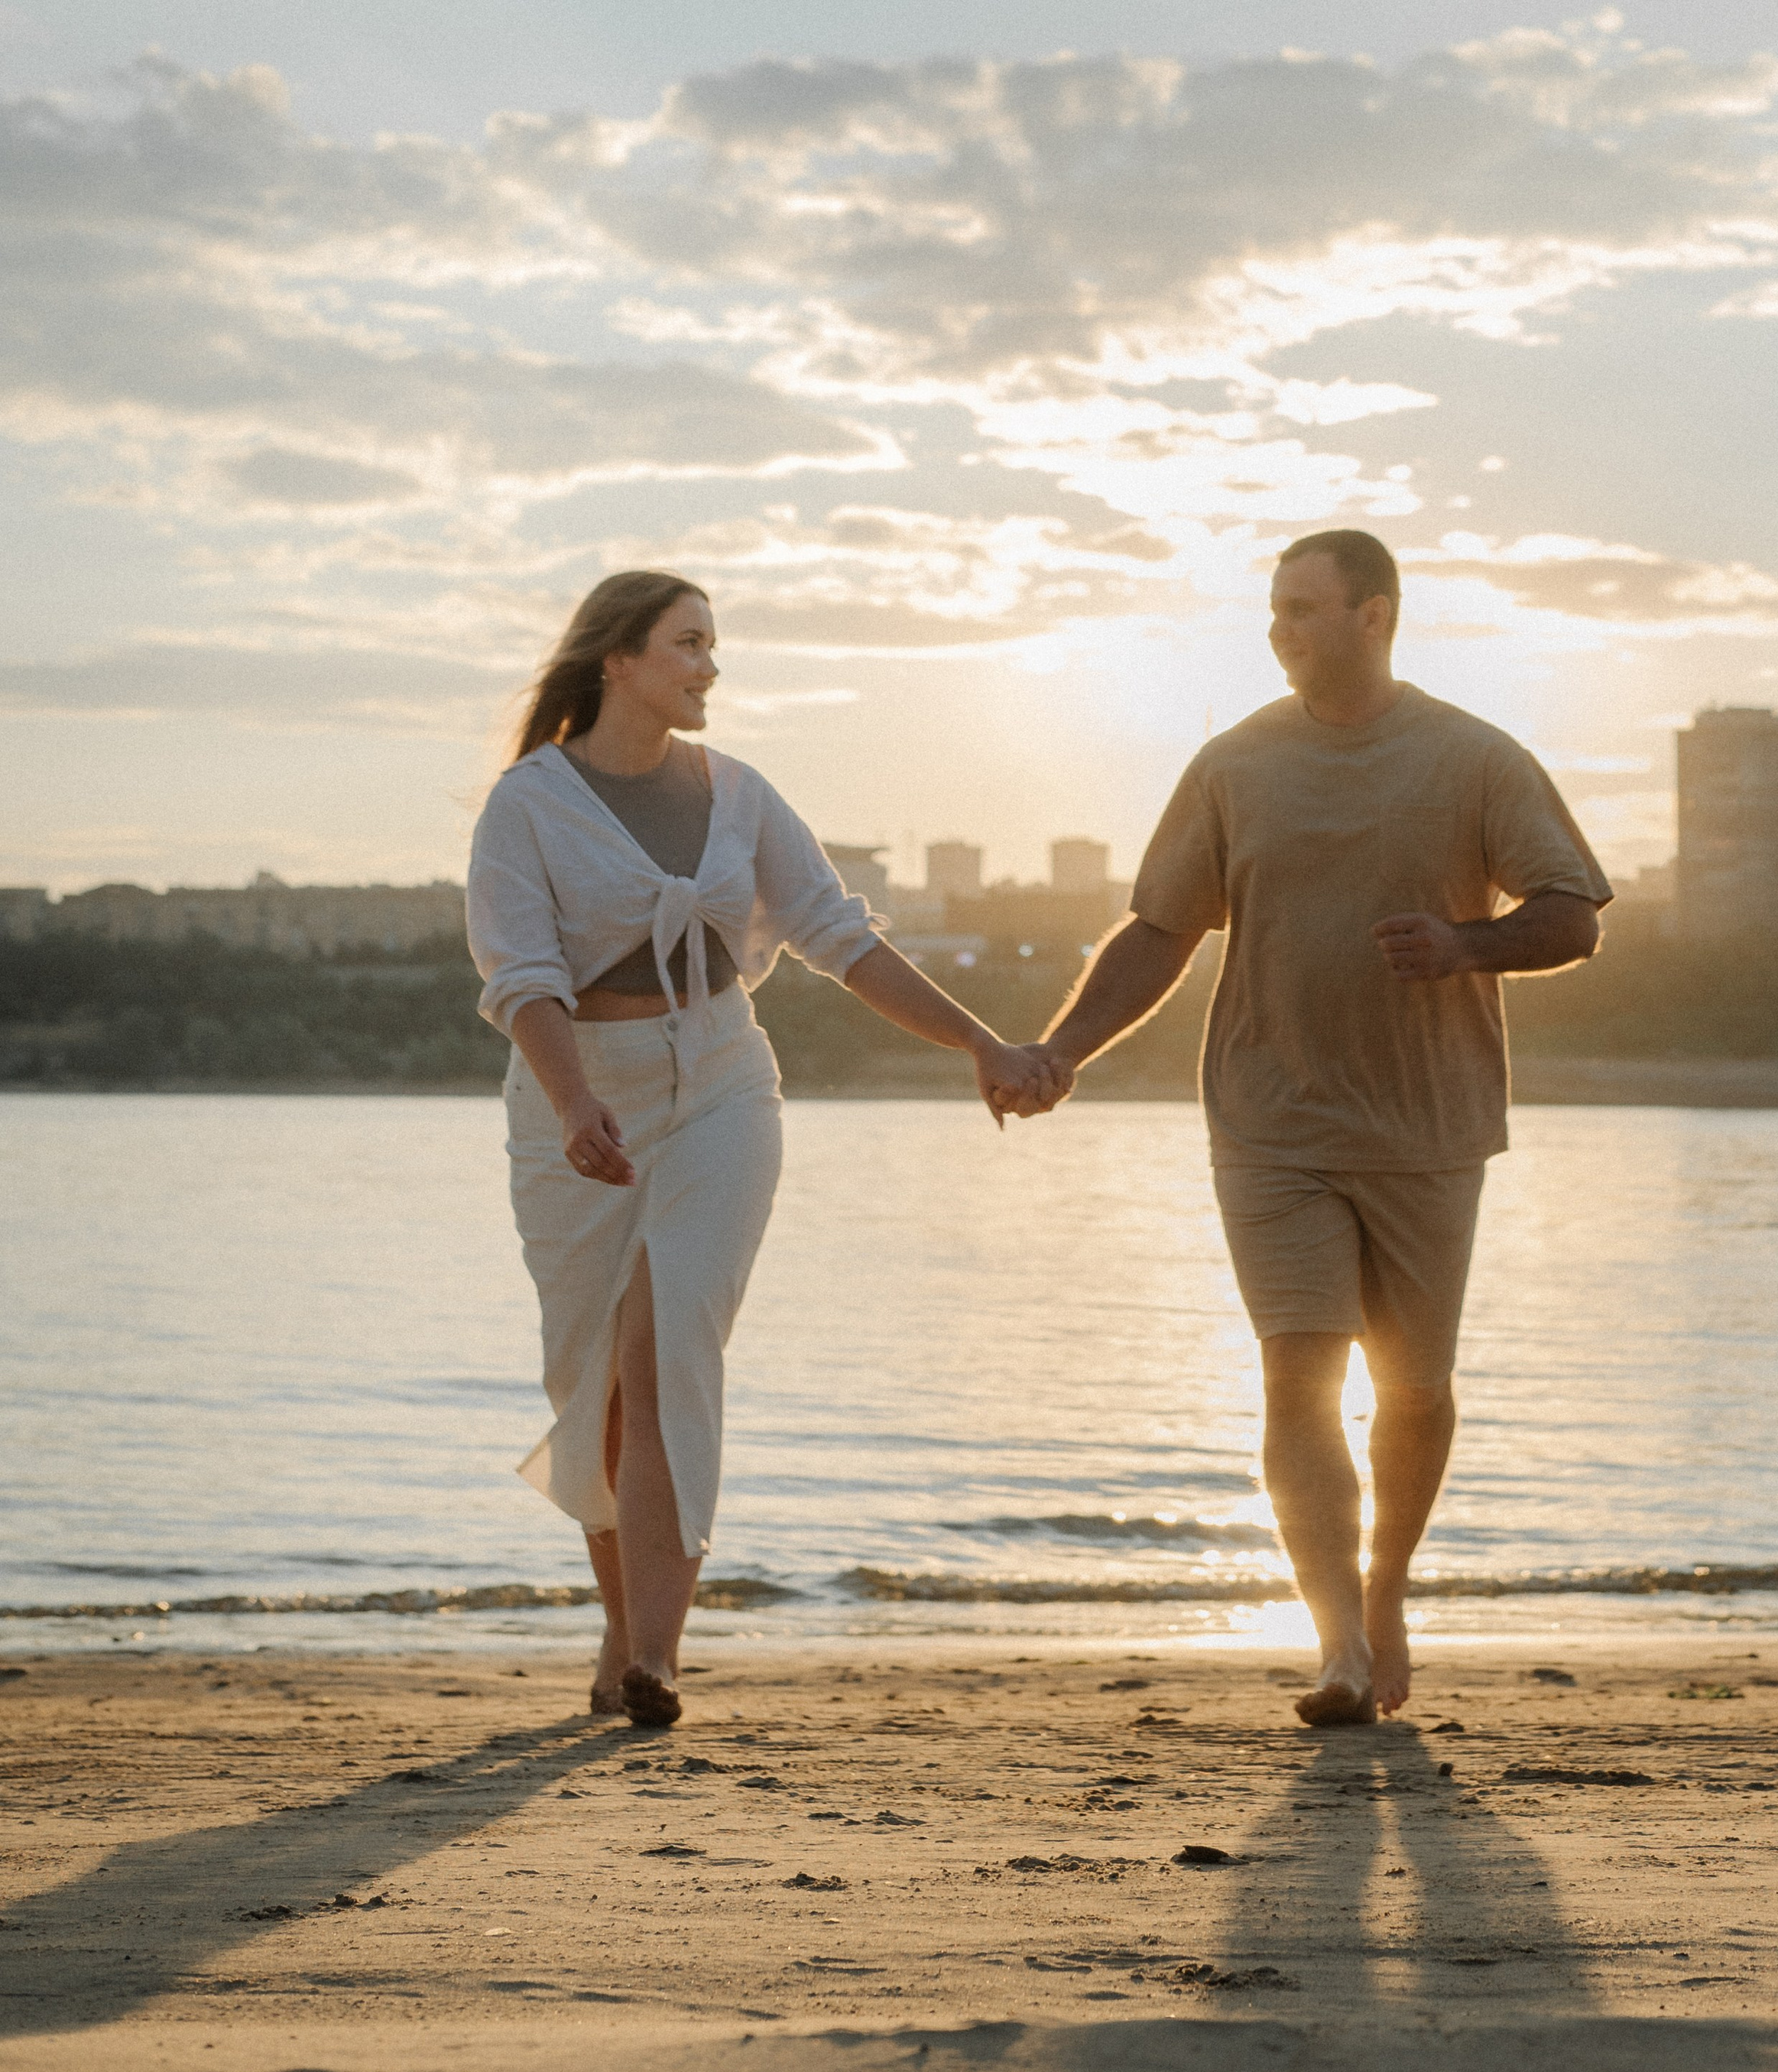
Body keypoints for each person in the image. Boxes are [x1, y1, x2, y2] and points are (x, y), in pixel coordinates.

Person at [1022, 530, 1611, 1726]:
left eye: (1303, 610)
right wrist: (1059, 1052)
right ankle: (1339, 1642)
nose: (1280, 630)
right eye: (1274, 611)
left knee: (1417, 1391)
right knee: (1299, 1368)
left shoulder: (1474, 758)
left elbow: (1574, 916)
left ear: (1375, 617)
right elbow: (1158, 931)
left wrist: (1465, 945)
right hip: (1269, 1118)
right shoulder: (1236, 765)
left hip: (1429, 1127)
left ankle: (1385, 1586)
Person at [466, 569, 1058, 1728]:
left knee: (670, 1342)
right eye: (687, 645)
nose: (708, 668)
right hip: (575, 1097)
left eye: (714, 646)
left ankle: (655, 1660)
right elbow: (522, 978)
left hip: (725, 1086)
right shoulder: (526, 805)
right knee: (596, 1383)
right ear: (616, 660)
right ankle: (622, 1626)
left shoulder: (741, 794)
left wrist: (980, 1041)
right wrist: (578, 1101)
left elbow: (843, 937)